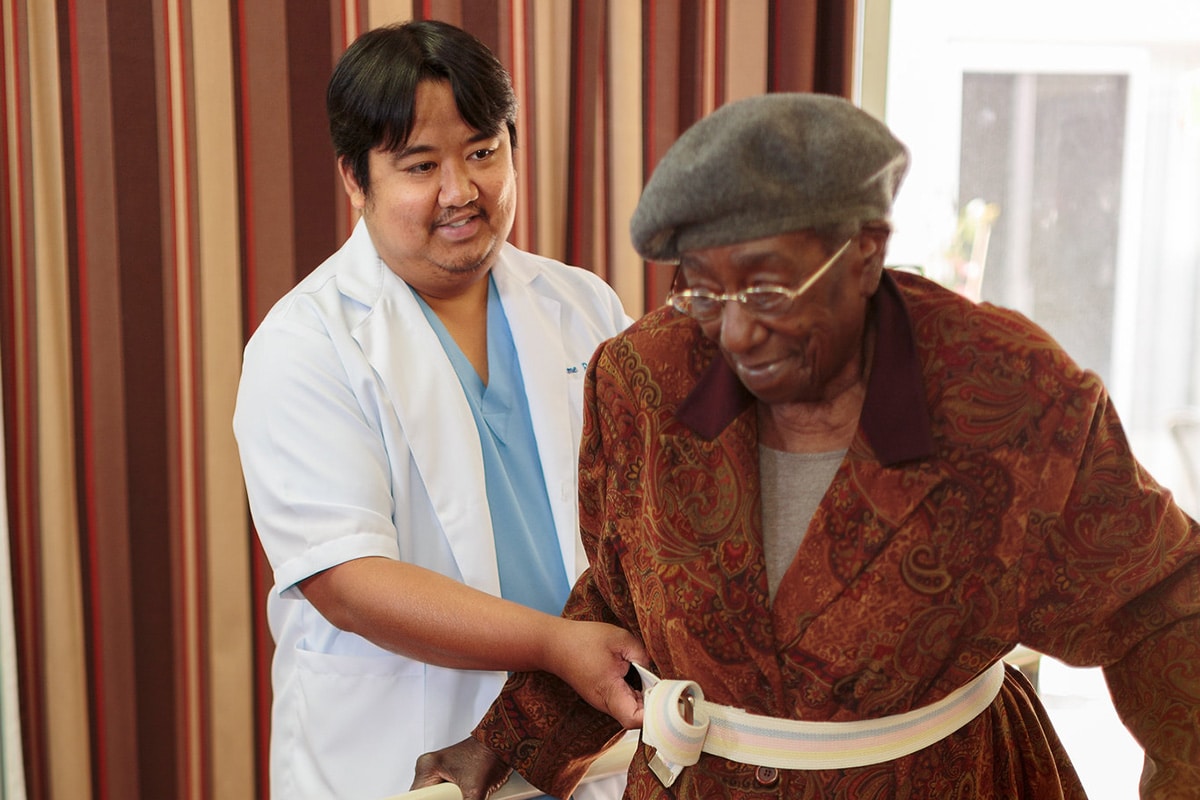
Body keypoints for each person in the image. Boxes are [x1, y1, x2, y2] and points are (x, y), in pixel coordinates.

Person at [411, 93, 1200, 798]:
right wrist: (507, 743)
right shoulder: (646, 379)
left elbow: (1161, 607)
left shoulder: (1012, 397)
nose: (737, 332)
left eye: (765, 289)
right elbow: (622, 589)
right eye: (703, 290)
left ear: (865, 253)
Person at [232, 19, 646, 800]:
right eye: (421, 165)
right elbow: (347, 581)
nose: (461, 191)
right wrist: (555, 645)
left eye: (483, 152)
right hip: (406, 758)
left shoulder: (582, 305)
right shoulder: (305, 343)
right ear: (357, 180)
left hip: (585, 745)